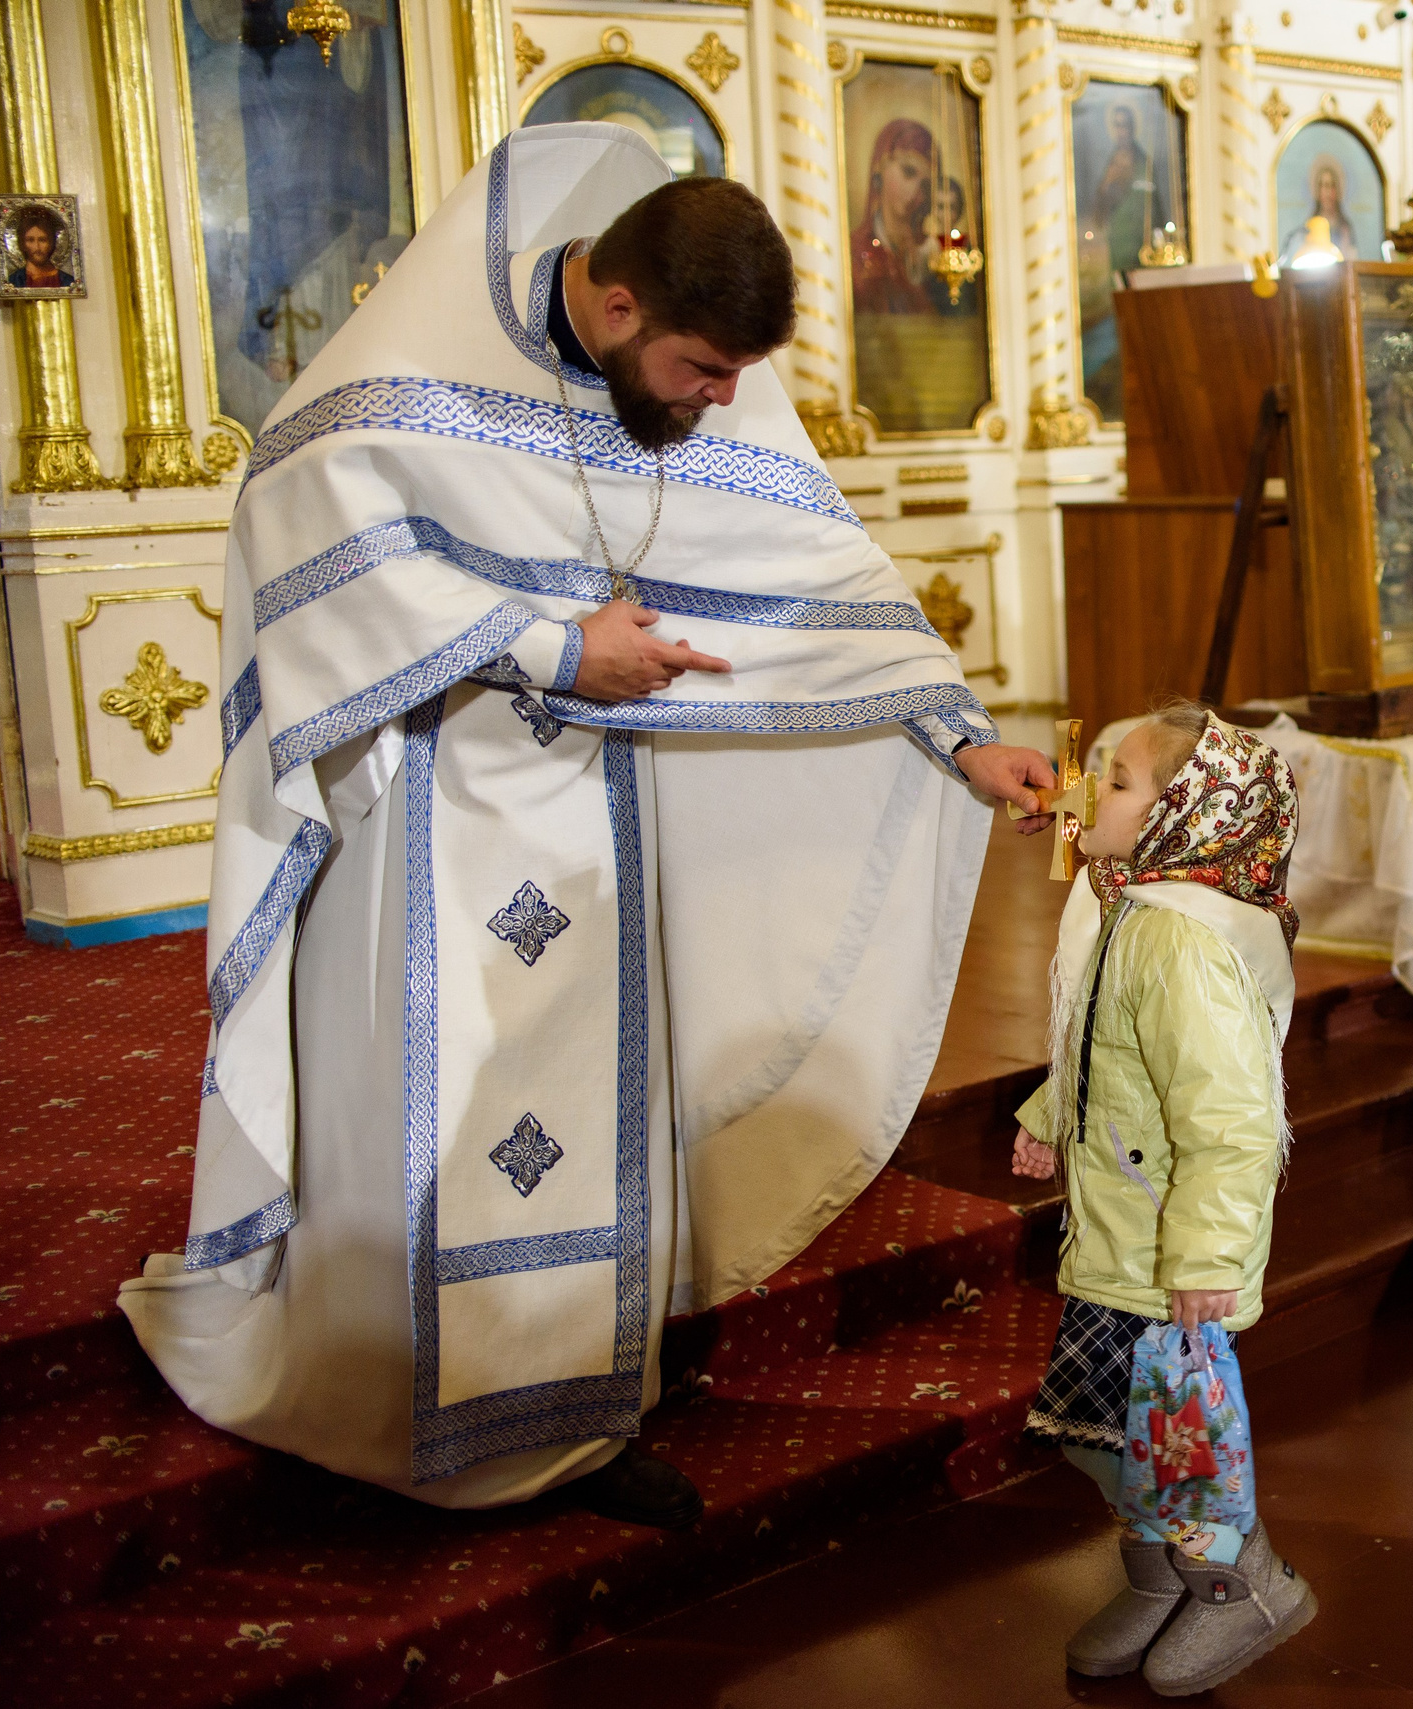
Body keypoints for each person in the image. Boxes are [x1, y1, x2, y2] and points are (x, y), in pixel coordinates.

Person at [119, 124, 1056, 1526]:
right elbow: (312, 541)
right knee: (441, 1116)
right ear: (619, 308)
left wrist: (958, 731)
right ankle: (396, 1415)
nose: (717, 403)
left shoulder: (690, 387)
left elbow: (815, 569)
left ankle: (581, 1413)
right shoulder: (408, 376)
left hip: (609, 823)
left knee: (593, 1109)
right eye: (697, 373)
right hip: (430, 824)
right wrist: (552, 650)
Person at [1009, 705, 1315, 1694]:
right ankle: (1159, 1578)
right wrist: (1050, 1109)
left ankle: (1240, 1583)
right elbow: (1102, 1043)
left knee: (1182, 1445)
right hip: (1118, 1239)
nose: (1090, 792)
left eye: (1121, 777)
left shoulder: (1184, 942)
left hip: (1168, 1257)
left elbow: (1229, 1119)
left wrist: (1204, 1261)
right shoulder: (1129, 908)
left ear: (1189, 810)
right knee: (1103, 1430)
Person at [850, 117, 941, 316]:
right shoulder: (856, 249)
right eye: (908, 172)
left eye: (925, 186)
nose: (915, 192)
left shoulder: (930, 255)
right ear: (879, 167)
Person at [1276, 156, 1360, 265]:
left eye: (1331, 186)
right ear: (1317, 190)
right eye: (1323, 186)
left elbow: (1351, 262)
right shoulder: (1308, 228)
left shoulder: (1345, 228)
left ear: (1337, 189)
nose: (1327, 192)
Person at [6, 205, 73, 290]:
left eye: (42, 240)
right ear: (22, 244)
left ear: (51, 242)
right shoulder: (13, 281)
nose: (37, 247)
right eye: (30, 240)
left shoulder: (67, 281)